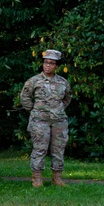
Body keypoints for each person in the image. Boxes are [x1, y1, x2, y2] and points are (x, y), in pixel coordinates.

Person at [20, 49, 72, 188]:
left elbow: (67, 98)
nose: (47, 65)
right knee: (39, 148)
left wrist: (57, 110)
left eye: (51, 63)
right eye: (45, 62)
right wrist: (34, 110)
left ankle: (57, 178)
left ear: (56, 66)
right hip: (39, 121)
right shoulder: (34, 81)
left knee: (58, 149)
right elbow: (25, 98)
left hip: (59, 121)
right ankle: (37, 179)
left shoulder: (63, 82)